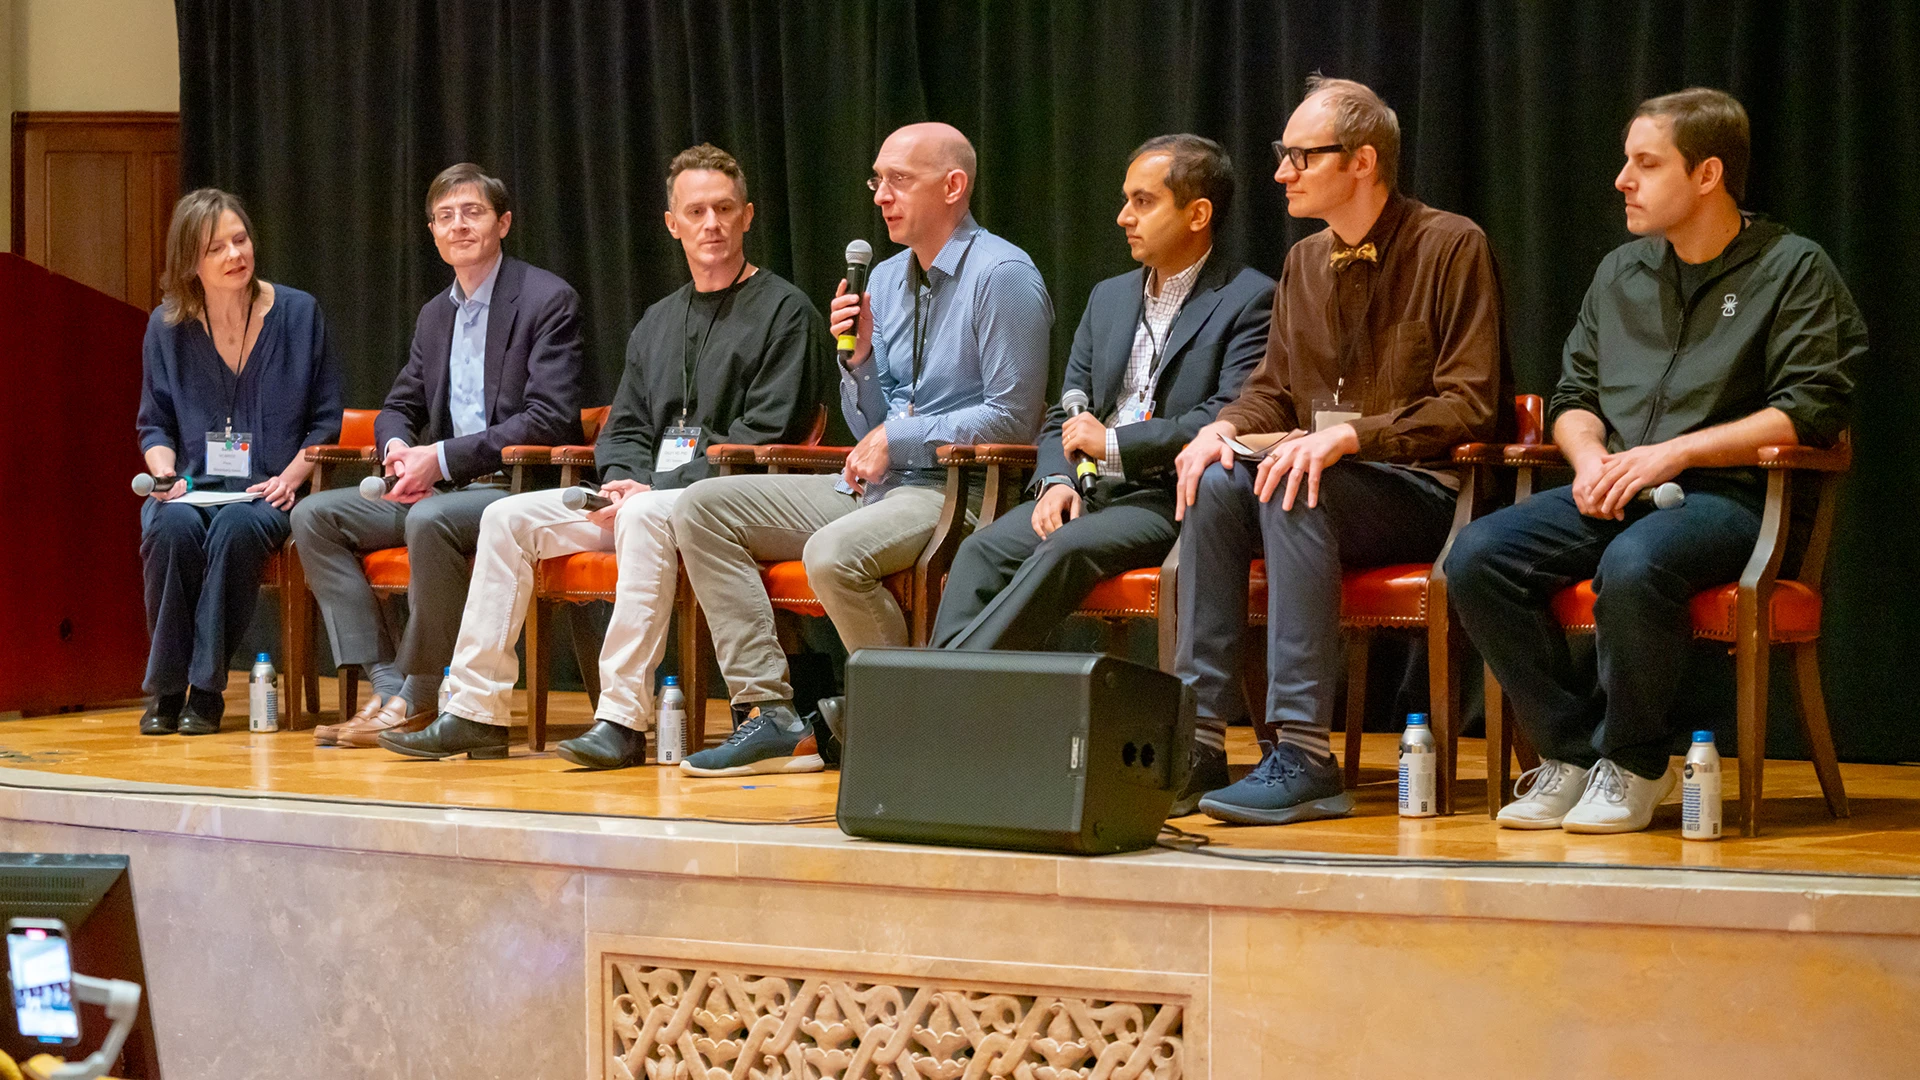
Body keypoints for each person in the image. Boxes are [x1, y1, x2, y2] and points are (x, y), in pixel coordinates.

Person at [1445, 88, 1865, 834]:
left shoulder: (1793, 268)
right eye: (1625, 161)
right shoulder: (1621, 273)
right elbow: (1575, 394)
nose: (1622, 180)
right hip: (1618, 487)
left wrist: (1672, 452)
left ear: (1707, 174)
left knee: (1636, 565)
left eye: (1645, 162)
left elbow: (1809, 408)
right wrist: (1587, 461)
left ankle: (1639, 762)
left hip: (1733, 500)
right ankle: (1572, 754)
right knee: (1477, 556)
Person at [376, 145, 830, 765]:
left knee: (645, 516)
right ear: (673, 224)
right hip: (636, 497)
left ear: (747, 216)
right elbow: (626, 427)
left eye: (724, 209)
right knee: (504, 519)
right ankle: (473, 711)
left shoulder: (786, 312)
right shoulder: (658, 321)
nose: (711, 225)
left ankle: (621, 719)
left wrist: (655, 490)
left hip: (714, 503)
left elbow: (764, 432)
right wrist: (619, 479)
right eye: (695, 211)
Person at [1172, 76, 1507, 824]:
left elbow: (1470, 402)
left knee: (1294, 481)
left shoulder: (1452, 245)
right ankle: (1194, 739)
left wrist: (1352, 435)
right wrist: (1220, 429)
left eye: (1300, 156)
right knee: (1220, 479)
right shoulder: (1304, 261)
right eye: (1282, 154)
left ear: (1361, 161)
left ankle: (1302, 752)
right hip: (1327, 476)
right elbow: (1273, 392)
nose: (1281, 172)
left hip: (1422, 489)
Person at [672, 121, 1053, 776]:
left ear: (954, 186)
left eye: (899, 180)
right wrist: (863, 361)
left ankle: (910, 724)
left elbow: (1013, 418)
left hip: (959, 491)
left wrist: (897, 435)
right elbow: (869, 417)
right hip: (876, 486)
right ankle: (770, 714)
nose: (881, 195)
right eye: (877, 180)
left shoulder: (1003, 275)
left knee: (833, 554)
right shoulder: (886, 277)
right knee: (702, 507)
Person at [930, 136, 1271, 725]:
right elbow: (1066, 411)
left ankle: (932, 703)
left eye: (1143, 201)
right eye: (1124, 200)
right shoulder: (1108, 298)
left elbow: (1223, 417)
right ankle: (952, 710)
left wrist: (1114, 445)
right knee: (983, 549)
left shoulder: (1251, 300)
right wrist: (1056, 481)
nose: (1123, 217)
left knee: (1066, 548)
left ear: (1197, 214)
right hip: (1086, 490)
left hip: (1173, 497)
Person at [294, 163, 584, 747]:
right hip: (444, 490)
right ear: (432, 232)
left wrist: (443, 458)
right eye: (445, 217)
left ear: (503, 222)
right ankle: (386, 682)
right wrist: (400, 448)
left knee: (428, 519)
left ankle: (418, 694)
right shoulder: (435, 315)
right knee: (313, 516)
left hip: (516, 487)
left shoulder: (547, 299)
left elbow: (549, 417)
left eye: (472, 212)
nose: (459, 226)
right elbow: (398, 405)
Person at [136, 188, 343, 736]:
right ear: (190, 262)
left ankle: (204, 692)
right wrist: (163, 475)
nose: (235, 255)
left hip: (268, 490)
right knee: (171, 528)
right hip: (191, 488)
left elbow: (325, 421)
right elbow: (154, 423)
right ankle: (166, 690)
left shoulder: (298, 314)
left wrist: (291, 477)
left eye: (240, 239)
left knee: (235, 527)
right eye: (216, 248)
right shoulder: (167, 327)